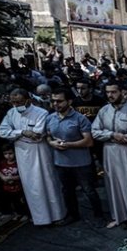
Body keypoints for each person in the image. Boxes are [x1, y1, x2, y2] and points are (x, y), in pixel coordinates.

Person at [0, 89, 67, 226]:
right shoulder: (11, 113)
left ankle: (57, 215)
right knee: (31, 185)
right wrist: (22, 132)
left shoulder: (41, 113)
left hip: (40, 151)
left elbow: (37, 133)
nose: (16, 105)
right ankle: (40, 218)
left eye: (18, 102)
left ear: (28, 100)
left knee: (48, 182)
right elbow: (2, 131)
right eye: (13, 102)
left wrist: (18, 134)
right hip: (21, 151)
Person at [92, 82, 127, 229]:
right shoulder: (104, 111)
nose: (110, 95)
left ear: (122, 92)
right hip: (110, 154)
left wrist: (115, 137)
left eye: (113, 92)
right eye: (108, 92)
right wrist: (112, 135)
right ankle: (119, 217)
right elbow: (94, 131)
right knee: (114, 184)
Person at [45, 88, 105, 225]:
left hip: (81, 163)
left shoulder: (80, 118)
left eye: (59, 101)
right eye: (53, 101)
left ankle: (99, 216)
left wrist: (69, 145)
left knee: (89, 190)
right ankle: (73, 215)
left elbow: (89, 141)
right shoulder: (50, 118)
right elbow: (48, 136)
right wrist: (52, 142)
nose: (55, 104)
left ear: (69, 101)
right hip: (61, 162)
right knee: (67, 191)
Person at [0, 144, 29, 220]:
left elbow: (22, 174)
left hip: (18, 187)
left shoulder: (18, 162)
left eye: (10, 153)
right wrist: (3, 177)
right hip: (7, 188)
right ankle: (18, 213)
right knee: (13, 202)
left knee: (21, 201)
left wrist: (12, 178)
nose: (8, 156)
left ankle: (25, 214)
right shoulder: (2, 163)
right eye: (5, 154)